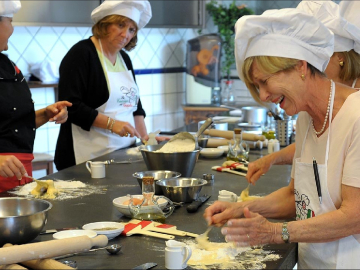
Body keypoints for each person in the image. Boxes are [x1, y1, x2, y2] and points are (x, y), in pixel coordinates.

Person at [204, 8, 360, 269]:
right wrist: (243, 210)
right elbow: (295, 195)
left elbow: (355, 215)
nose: (264, 96)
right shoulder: (304, 118)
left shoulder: (356, 115)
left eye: (265, 81)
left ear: (300, 65)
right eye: (258, 87)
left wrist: (275, 233)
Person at [246, 1, 360, 184]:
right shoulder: (315, 102)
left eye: (321, 55)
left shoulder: (355, 108)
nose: (315, 62)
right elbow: (313, 146)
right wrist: (272, 158)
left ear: (341, 57)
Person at [54, 0, 160, 170]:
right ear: (104, 24)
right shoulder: (81, 54)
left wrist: (146, 139)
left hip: (124, 152)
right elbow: (71, 107)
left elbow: (135, 106)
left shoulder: (124, 59)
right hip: (87, 156)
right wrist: (112, 124)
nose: (125, 34)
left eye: (131, 30)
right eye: (120, 25)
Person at [0, 0, 72, 192]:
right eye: (10, 21)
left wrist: (45, 114)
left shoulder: (7, 66)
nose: (12, 29)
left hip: (19, 177)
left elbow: (11, 123)